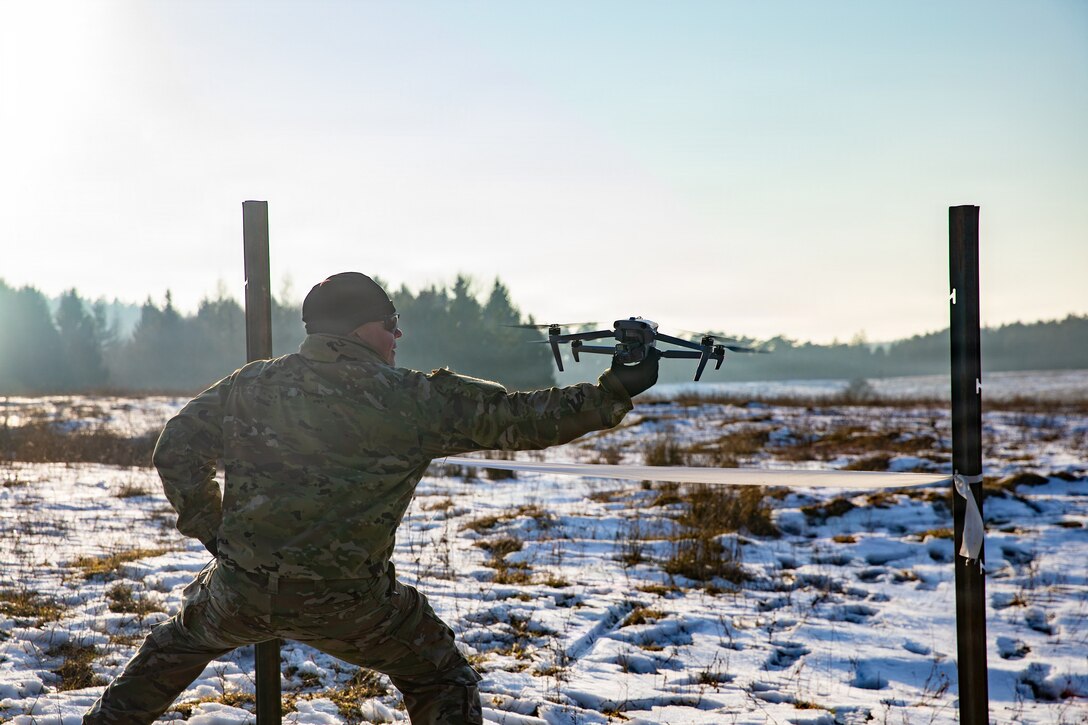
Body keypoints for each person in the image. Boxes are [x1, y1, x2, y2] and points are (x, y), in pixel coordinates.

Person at [84, 272, 660, 725]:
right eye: (391, 323)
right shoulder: (410, 399)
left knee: (172, 649)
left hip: (241, 589)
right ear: (362, 328)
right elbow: (521, 419)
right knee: (441, 677)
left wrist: (215, 532)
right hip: (353, 605)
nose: (398, 336)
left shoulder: (251, 383)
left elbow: (176, 448)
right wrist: (613, 390)